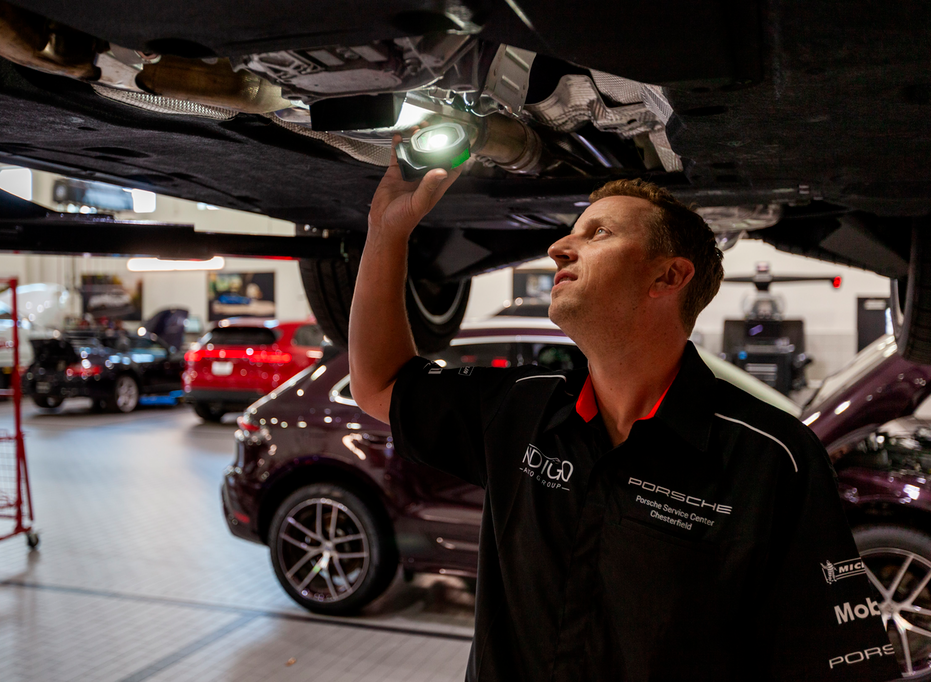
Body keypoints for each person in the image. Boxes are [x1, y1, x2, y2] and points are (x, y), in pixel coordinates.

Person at [348, 144, 899, 681]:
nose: (561, 247)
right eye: (573, 231)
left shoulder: (773, 459)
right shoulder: (521, 409)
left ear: (668, 277)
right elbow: (380, 385)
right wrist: (386, 231)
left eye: (599, 233)